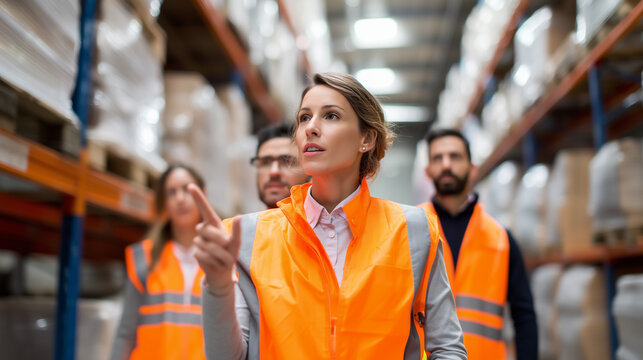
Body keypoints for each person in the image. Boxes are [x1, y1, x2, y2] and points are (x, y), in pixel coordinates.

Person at [189, 72, 467, 359]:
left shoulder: (413, 231)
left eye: (331, 116)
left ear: (367, 138)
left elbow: (448, 348)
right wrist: (219, 285)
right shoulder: (247, 236)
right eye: (304, 118)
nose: (311, 128)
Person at [419, 129, 538, 360]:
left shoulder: (500, 239)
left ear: (472, 168)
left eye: (454, 157)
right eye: (437, 158)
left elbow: (524, 316)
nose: (446, 164)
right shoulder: (410, 231)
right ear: (428, 171)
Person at [111, 164, 207, 360]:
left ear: (203, 195)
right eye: (171, 193)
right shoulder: (144, 258)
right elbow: (125, 333)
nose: (180, 198)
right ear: (164, 203)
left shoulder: (222, 260)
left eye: (187, 189)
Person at [251, 123, 310, 208]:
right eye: (265, 162)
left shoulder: (330, 221)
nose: (274, 172)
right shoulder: (239, 221)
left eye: (287, 162)